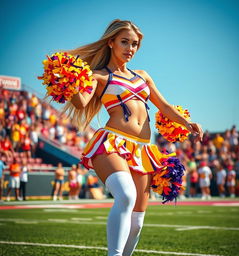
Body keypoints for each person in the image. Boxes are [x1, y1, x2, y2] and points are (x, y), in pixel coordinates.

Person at [63, 19, 203, 256]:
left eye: (135, 44)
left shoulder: (143, 76)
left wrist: (187, 123)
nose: (130, 48)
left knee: (138, 219)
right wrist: (68, 81)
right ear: (111, 42)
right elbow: (80, 102)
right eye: (124, 42)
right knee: (126, 195)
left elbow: (165, 106)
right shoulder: (97, 76)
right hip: (112, 143)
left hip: (142, 149)